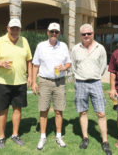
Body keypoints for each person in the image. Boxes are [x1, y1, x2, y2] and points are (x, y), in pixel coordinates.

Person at [0, 18, 32, 148]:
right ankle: (1, 137)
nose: (15, 31)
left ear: (20, 29)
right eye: (13, 28)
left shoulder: (24, 41)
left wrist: (30, 76)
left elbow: (29, 59)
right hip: (3, 83)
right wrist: (0, 63)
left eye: (17, 28)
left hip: (20, 82)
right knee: (2, 110)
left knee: (17, 109)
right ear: (8, 28)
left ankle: (15, 135)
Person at [71, 23, 112, 155]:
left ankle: (105, 141)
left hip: (96, 83)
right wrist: (81, 76)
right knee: (83, 112)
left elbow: (102, 66)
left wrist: (94, 75)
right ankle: (85, 138)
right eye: (84, 34)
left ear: (93, 34)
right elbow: (73, 66)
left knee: (101, 113)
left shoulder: (100, 48)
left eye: (89, 33)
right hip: (81, 83)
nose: (86, 36)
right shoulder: (76, 49)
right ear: (81, 35)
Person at [32, 22, 71, 150]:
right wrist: (33, 82)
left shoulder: (63, 46)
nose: (54, 34)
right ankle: (43, 136)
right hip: (44, 81)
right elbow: (35, 65)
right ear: (47, 32)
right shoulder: (41, 46)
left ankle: (59, 136)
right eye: (51, 31)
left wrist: (63, 67)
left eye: (56, 32)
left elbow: (68, 63)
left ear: (59, 33)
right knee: (43, 110)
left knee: (59, 110)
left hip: (59, 82)